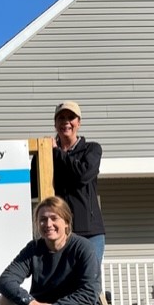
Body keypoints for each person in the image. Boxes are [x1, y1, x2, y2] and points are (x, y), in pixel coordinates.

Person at [0, 196, 107, 305]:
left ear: (66, 222)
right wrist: (33, 304)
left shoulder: (83, 247)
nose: (48, 224)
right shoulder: (33, 249)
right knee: (6, 299)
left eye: (54, 218)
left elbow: (90, 292)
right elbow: (5, 281)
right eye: (42, 220)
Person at [51, 100, 106, 266]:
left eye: (71, 117)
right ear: (55, 124)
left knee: (89, 281)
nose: (66, 122)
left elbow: (82, 175)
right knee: (62, 284)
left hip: (90, 233)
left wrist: (57, 152)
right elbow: (33, 187)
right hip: (59, 232)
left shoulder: (92, 149)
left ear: (78, 123)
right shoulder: (47, 153)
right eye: (61, 118)